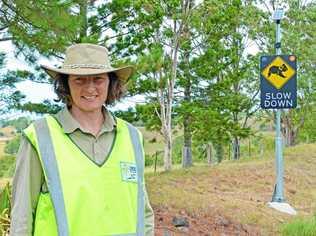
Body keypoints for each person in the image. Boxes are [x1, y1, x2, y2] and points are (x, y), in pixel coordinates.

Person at [10, 43, 154, 236]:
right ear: (66, 85)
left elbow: (142, 211)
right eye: (80, 80)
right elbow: (22, 216)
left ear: (111, 83)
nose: (90, 88)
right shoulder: (40, 136)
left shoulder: (132, 137)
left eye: (98, 79)